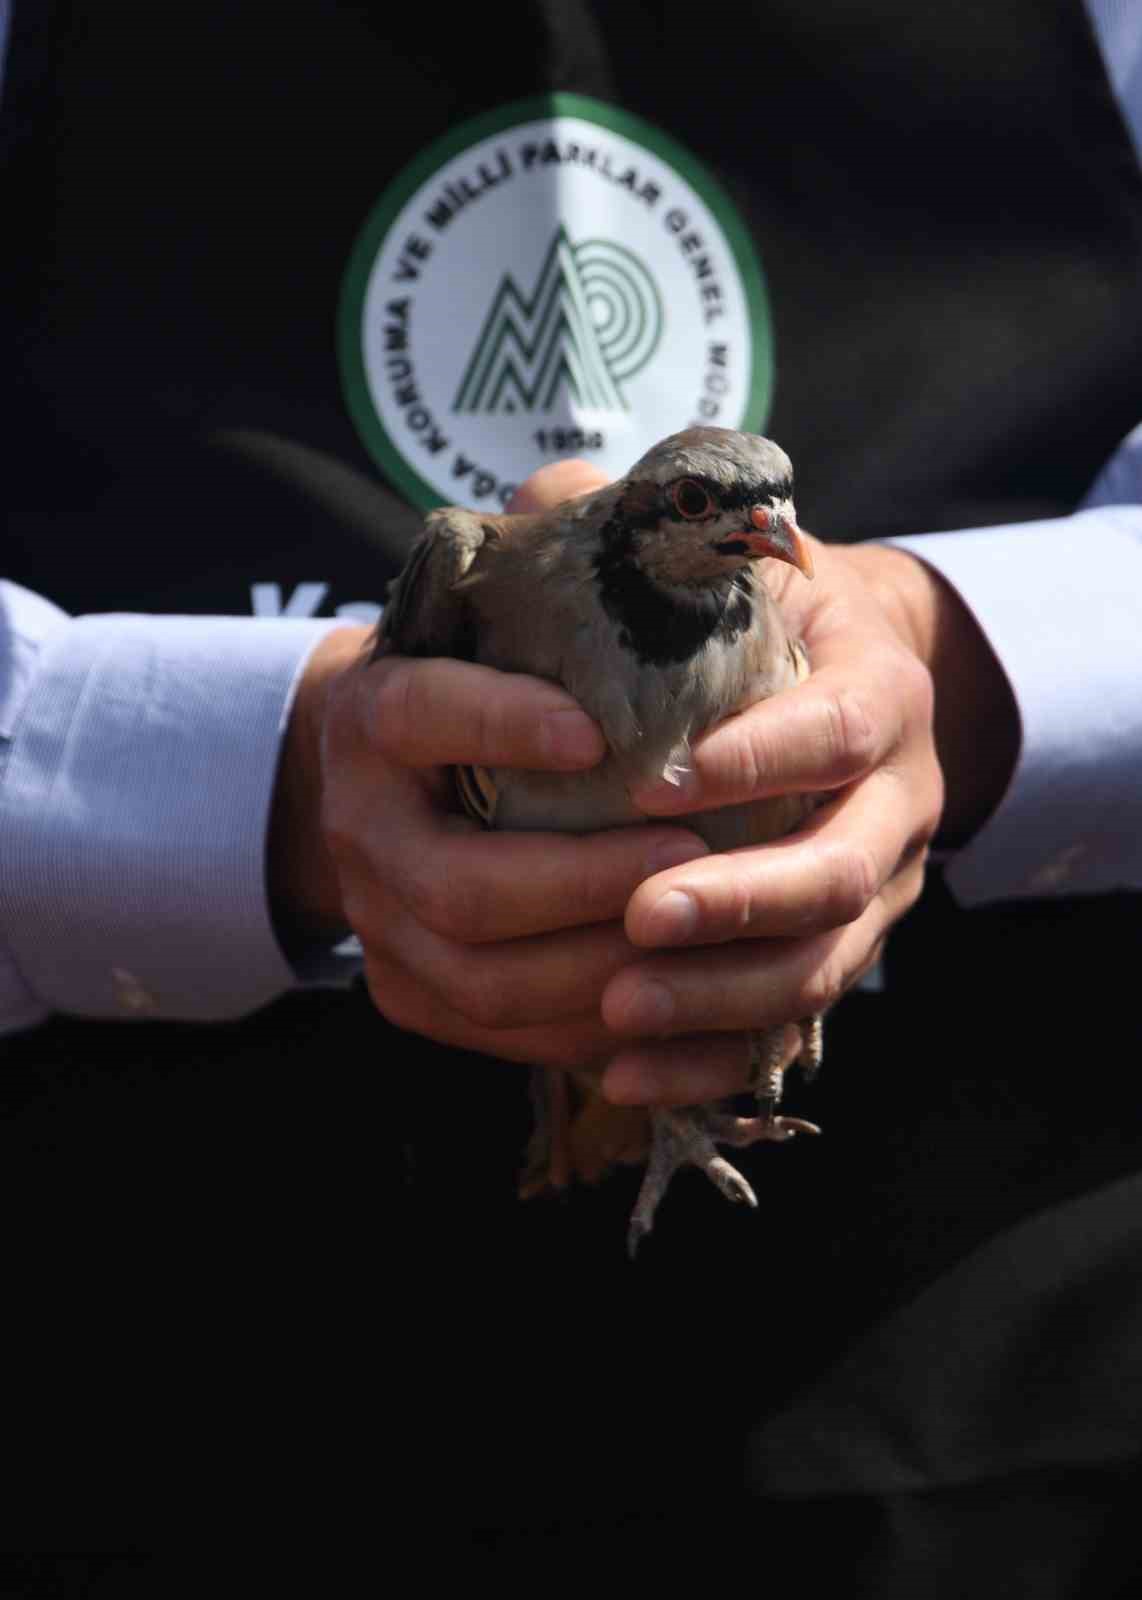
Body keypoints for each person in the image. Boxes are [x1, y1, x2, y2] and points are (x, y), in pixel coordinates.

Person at [2, 0, 1141, 1584]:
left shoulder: (766, 608)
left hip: (976, 1386)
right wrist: (241, 776)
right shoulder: (484, 566)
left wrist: (968, 664)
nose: (759, 539)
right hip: (178, 1347)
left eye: (774, 519)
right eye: (711, 510)